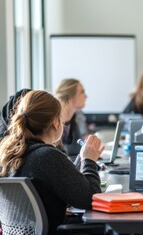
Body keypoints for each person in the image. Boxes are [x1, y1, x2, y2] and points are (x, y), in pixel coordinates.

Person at [0, 90, 104, 234]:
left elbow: (67, 186)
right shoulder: (47, 156)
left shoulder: (8, 153)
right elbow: (90, 199)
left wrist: (82, 157)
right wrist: (89, 160)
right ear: (56, 122)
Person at [55, 78, 88, 160]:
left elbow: (79, 149)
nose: (86, 96)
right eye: (82, 92)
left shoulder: (74, 120)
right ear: (70, 98)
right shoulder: (54, 123)